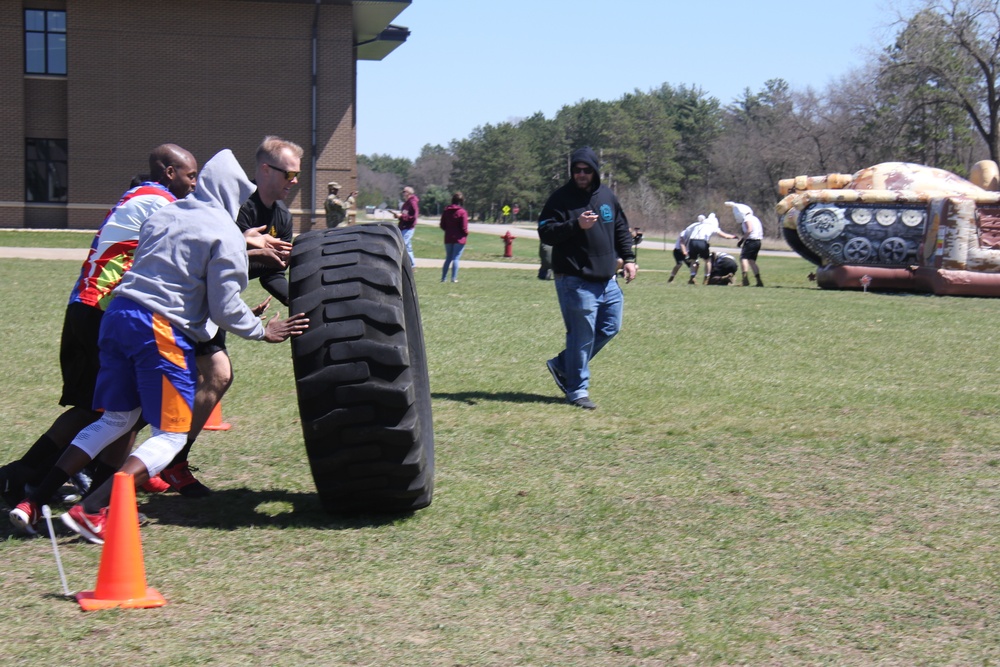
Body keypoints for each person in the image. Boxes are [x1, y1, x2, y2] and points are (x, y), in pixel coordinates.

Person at [9, 149, 310, 542]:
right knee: (170, 436)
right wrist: (260, 329)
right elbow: (222, 306)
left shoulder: (166, 213)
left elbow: (175, 284)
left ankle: (34, 501)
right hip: (158, 330)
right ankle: (94, 510)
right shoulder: (225, 232)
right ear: (234, 195)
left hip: (117, 318)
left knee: (115, 420)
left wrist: (211, 318)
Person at [0, 145, 199, 511]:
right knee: (125, 410)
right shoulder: (161, 200)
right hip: (105, 310)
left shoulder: (135, 196)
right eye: (190, 175)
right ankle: (88, 495)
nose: (195, 183)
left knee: (93, 408)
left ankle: (26, 475)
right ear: (169, 172)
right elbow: (198, 241)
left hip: (83, 305)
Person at [159, 136, 300, 496]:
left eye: (298, 176)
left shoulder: (281, 217)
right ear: (265, 170)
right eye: (289, 174)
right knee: (155, 389)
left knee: (216, 376)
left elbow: (271, 273)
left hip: (214, 304)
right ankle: (134, 466)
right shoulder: (237, 205)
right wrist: (244, 243)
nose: (294, 182)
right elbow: (211, 250)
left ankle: (171, 461)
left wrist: (300, 304)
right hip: (186, 300)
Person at [538, 147, 636, 410]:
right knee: (581, 335)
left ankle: (562, 364)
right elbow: (545, 231)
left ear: (595, 171)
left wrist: (629, 259)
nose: (581, 174)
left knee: (610, 327)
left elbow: (620, 229)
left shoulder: (607, 196)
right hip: (574, 278)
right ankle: (577, 390)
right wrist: (574, 225)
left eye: (586, 170)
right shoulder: (561, 198)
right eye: (577, 170)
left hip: (607, 279)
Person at [687, 212, 737, 284]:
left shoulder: (698, 225)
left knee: (693, 260)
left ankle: (692, 277)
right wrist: (733, 236)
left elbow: (688, 231)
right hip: (702, 242)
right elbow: (724, 235)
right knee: (708, 259)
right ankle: (706, 278)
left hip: (692, 241)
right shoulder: (712, 226)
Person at [727, 200, 765, 286]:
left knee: (743, 258)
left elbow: (749, 229)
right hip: (758, 241)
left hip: (751, 241)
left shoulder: (747, 219)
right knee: (752, 261)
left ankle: (745, 279)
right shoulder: (755, 218)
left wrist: (742, 240)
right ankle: (759, 281)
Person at [440, 191, 469, 282]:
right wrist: (466, 233)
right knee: (456, 258)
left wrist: (448, 230)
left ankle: (443, 278)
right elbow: (464, 227)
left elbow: (442, 224)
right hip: (459, 238)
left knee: (448, 258)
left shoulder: (446, 210)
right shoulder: (462, 212)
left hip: (448, 237)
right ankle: (453, 278)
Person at [668, 216, 702, 283]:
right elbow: (682, 242)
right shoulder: (684, 233)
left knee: (696, 264)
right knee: (679, 264)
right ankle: (671, 278)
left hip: (687, 252)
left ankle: (692, 279)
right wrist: (684, 251)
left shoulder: (695, 235)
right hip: (678, 251)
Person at [392, 186, 419, 265]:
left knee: (401, 245)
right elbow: (404, 215)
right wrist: (398, 216)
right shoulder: (406, 204)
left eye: (405, 192)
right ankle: (412, 265)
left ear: (409, 193)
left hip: (408, 228)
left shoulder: (413, 203)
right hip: (403, 227)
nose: (403, 193)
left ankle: (400, 264)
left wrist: (401, 216)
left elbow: (414, 217)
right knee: (407, 247)